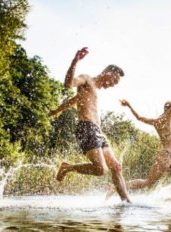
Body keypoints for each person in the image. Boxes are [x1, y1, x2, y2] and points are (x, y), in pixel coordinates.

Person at [48, 47, 131, 202]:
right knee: (101, 170)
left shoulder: (95, 90)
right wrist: (75, 60)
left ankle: (127, 202)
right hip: (86, 128)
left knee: (116, 167)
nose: (113, 85)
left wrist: (56, 110)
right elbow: (68, 84)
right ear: (108, 72)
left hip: (97, 131)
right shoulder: (86, 79)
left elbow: (73, 101)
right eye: (114, 81)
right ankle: (67, 167)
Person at [117, 66, 171, 202]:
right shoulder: (168, 117)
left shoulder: (156, 121)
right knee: (148, 183)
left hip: (169, 158)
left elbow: (139, 118)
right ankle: (118, 187)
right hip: (167, 156)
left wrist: (129, 106)